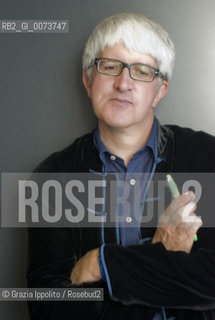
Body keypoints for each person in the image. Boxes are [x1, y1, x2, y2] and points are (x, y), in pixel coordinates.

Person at [27, 12, 215, 320]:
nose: (123, 83)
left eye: (141, 71)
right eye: (110, 67)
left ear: (160, 90)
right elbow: (48, 306)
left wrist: (103, 264)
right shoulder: (52, 178)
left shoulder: (207, 156)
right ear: (88, 81)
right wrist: (160, 254)